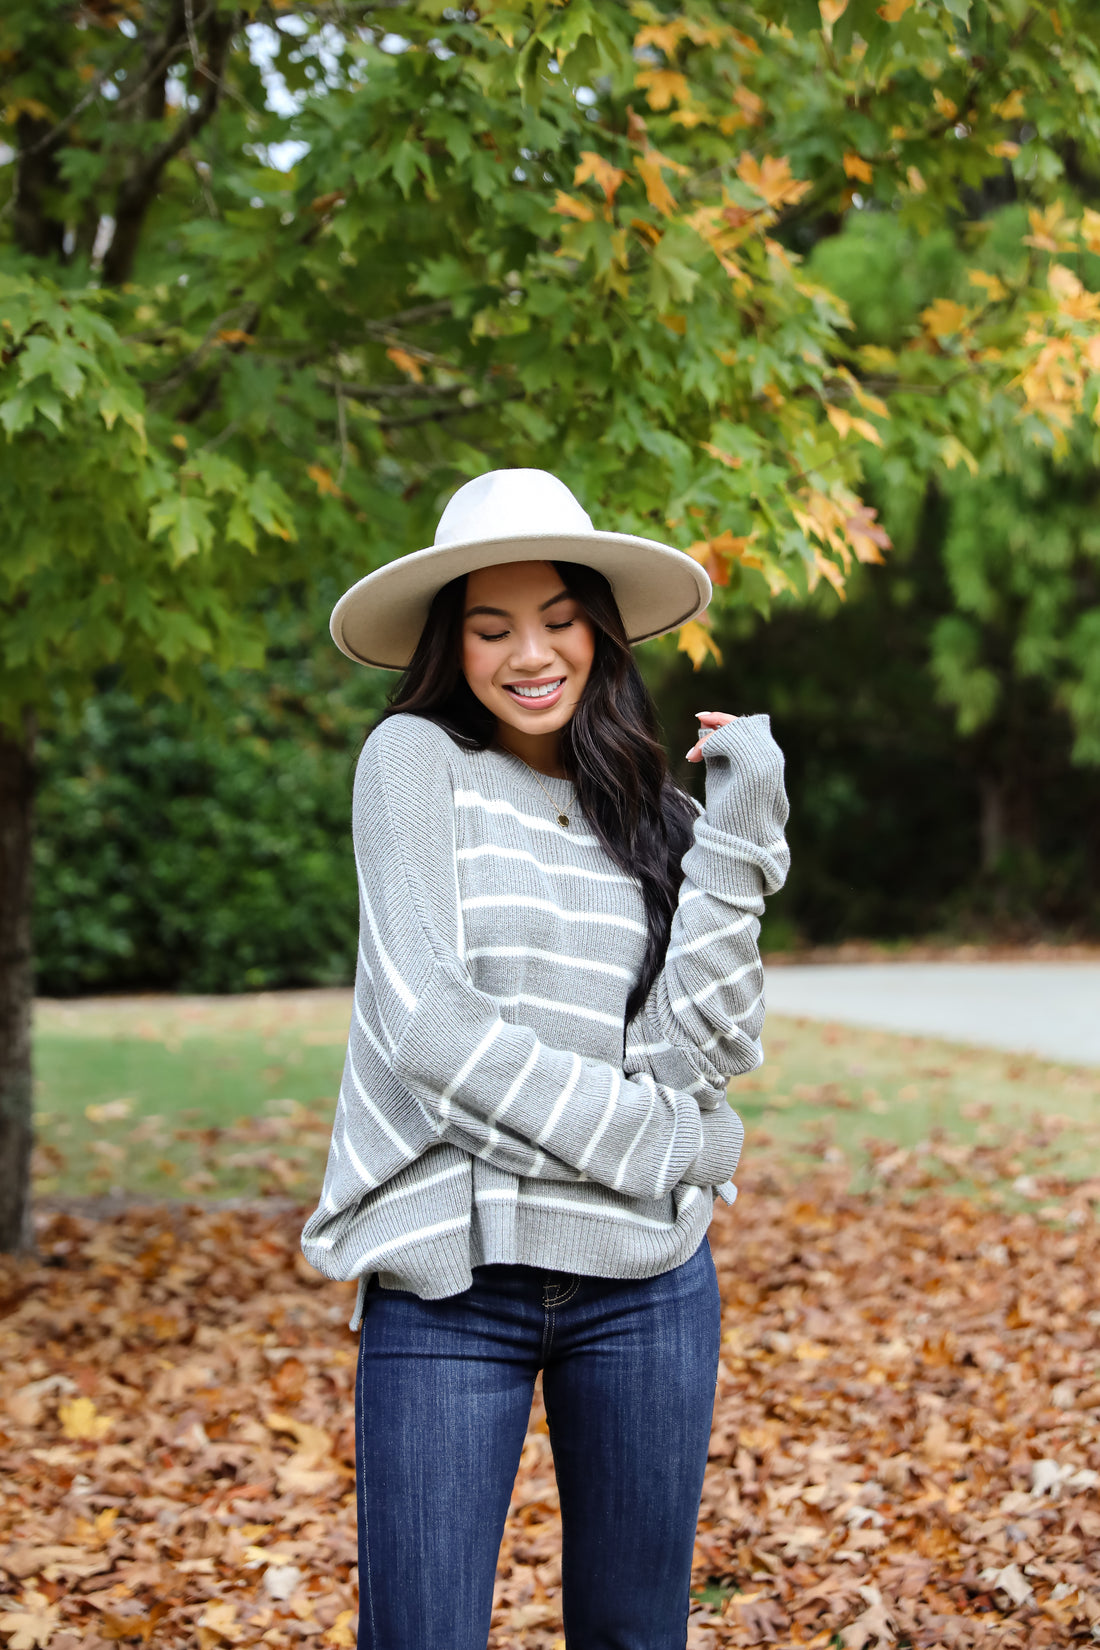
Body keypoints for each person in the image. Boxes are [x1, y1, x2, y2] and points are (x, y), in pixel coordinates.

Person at [301, 468, 790, 1650]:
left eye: (558, 620)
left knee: (632, 1634)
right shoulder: (413, 765)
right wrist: (673, 1145)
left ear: (598, 633)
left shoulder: (655, 818)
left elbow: (704, 1046)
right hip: (451, 1284)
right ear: (449, 644)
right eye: (490, 627)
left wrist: (735, 836)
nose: (530, 652)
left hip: (648, 1286)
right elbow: (434, 1036)